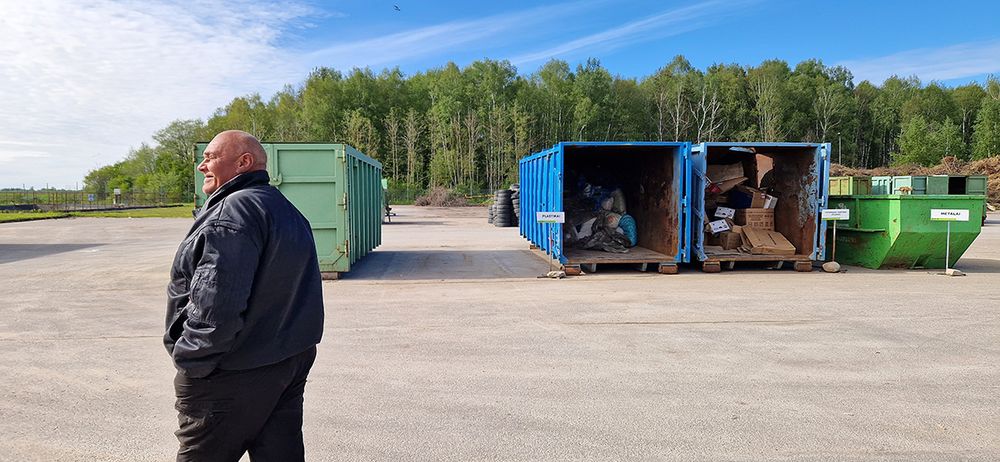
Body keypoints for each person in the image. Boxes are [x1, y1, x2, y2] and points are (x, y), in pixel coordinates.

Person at [164, 130, 324, 461]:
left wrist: (191, 361)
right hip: (284, 362)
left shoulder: (232, 214)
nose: (201, 166)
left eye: (210, 158)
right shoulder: (285, 209)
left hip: (233, 373)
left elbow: (217, 304)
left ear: (243, 162)